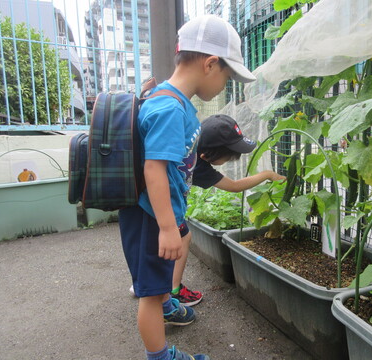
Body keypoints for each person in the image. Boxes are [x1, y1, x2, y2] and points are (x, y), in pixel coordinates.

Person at [118, 14, 256, 360]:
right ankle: (161, 355)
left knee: (159, 283)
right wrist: (167, 228)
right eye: (228, 75)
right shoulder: (169, 108)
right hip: (153, 216)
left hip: (157, 214)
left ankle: (167, 304)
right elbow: (155, 171)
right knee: (149, 291)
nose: (226, 85)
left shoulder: (172, 101)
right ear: (211, 64)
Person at [169, 114, 285, 306]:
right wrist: (267, 175)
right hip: (166, 207)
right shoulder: (200, 166)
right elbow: (235, 186)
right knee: (183, 238)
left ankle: (146, 285)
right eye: (229, 156)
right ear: (207, 156)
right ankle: (173, 291)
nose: (231, 160)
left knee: (154, 244)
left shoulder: (186, 145)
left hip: (148, 203)